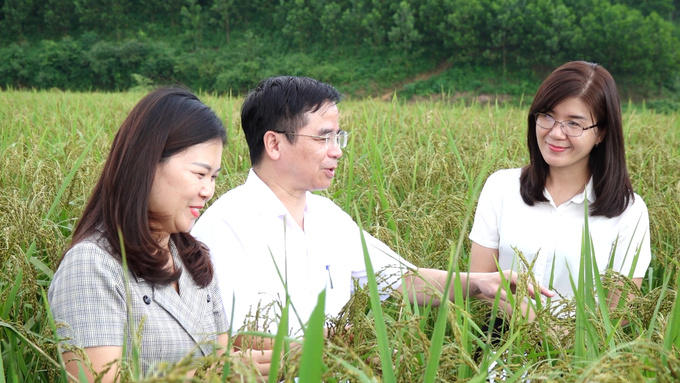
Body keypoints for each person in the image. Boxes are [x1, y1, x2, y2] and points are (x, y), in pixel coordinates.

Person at [191, 76, 553, 344]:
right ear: (274, 143)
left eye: (338, 137)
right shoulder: (225, 227)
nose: (337, 151)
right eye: (323, 138)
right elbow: (226, 338)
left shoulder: (328, 217)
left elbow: (401, 280)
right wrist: (329, 343)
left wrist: (479, 283)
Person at [48, 88, 272, 382]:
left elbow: (222, 359)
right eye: (199, 174)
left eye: (214, 177)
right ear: (148, 164)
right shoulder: (92, 265)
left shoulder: (195, 260)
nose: (208, 191)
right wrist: (208, 374)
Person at [469, 61, 651, 315]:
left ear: (601, 134)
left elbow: (616, 316)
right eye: (547, 116)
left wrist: (555, 336)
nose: (555, 133)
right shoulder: (501, 187)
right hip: (498, 346)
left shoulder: (629, 212)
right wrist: (533, 323)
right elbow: (478, 285)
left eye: (574, 124)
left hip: (582, 352)